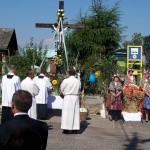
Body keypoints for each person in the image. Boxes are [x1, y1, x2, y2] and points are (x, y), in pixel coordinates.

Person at [60, 68, 81, 134]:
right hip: (75, 97)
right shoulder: (78, 81)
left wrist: (64, 93)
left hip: (68, 97)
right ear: (74, 73)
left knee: (66, 113)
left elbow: (61, 88)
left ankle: (66, 128)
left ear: (69, 73)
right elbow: (79, 89)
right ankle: (74, 129)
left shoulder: (66, 80)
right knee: (75, 113)